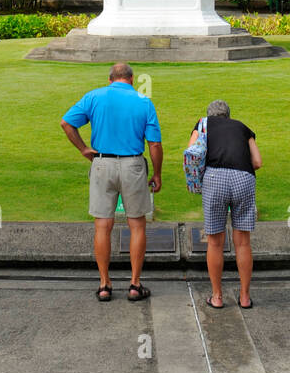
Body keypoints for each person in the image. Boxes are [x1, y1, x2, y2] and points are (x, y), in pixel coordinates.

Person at [61, 63, 163, 303]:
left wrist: (84, 149)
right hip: (133, 165)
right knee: (136, 225)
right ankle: (135, 284)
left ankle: (105, 284)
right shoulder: (143, 100)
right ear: (131, 79)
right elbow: (155, 144)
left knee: (102, 226)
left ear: (110, 79)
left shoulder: (94, 96)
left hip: (102, 163)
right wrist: (157, 174)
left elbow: (66, 123)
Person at [187, 99, 262, 311]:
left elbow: (192, 152)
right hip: (244, 178)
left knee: (215, 242)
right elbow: (257, 162)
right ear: (228, 115)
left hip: (215, 178)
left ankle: (217, 297)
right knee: (243, 242)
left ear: (209, 114)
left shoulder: (203, 124)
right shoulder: (242, 127)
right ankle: (245, 297)